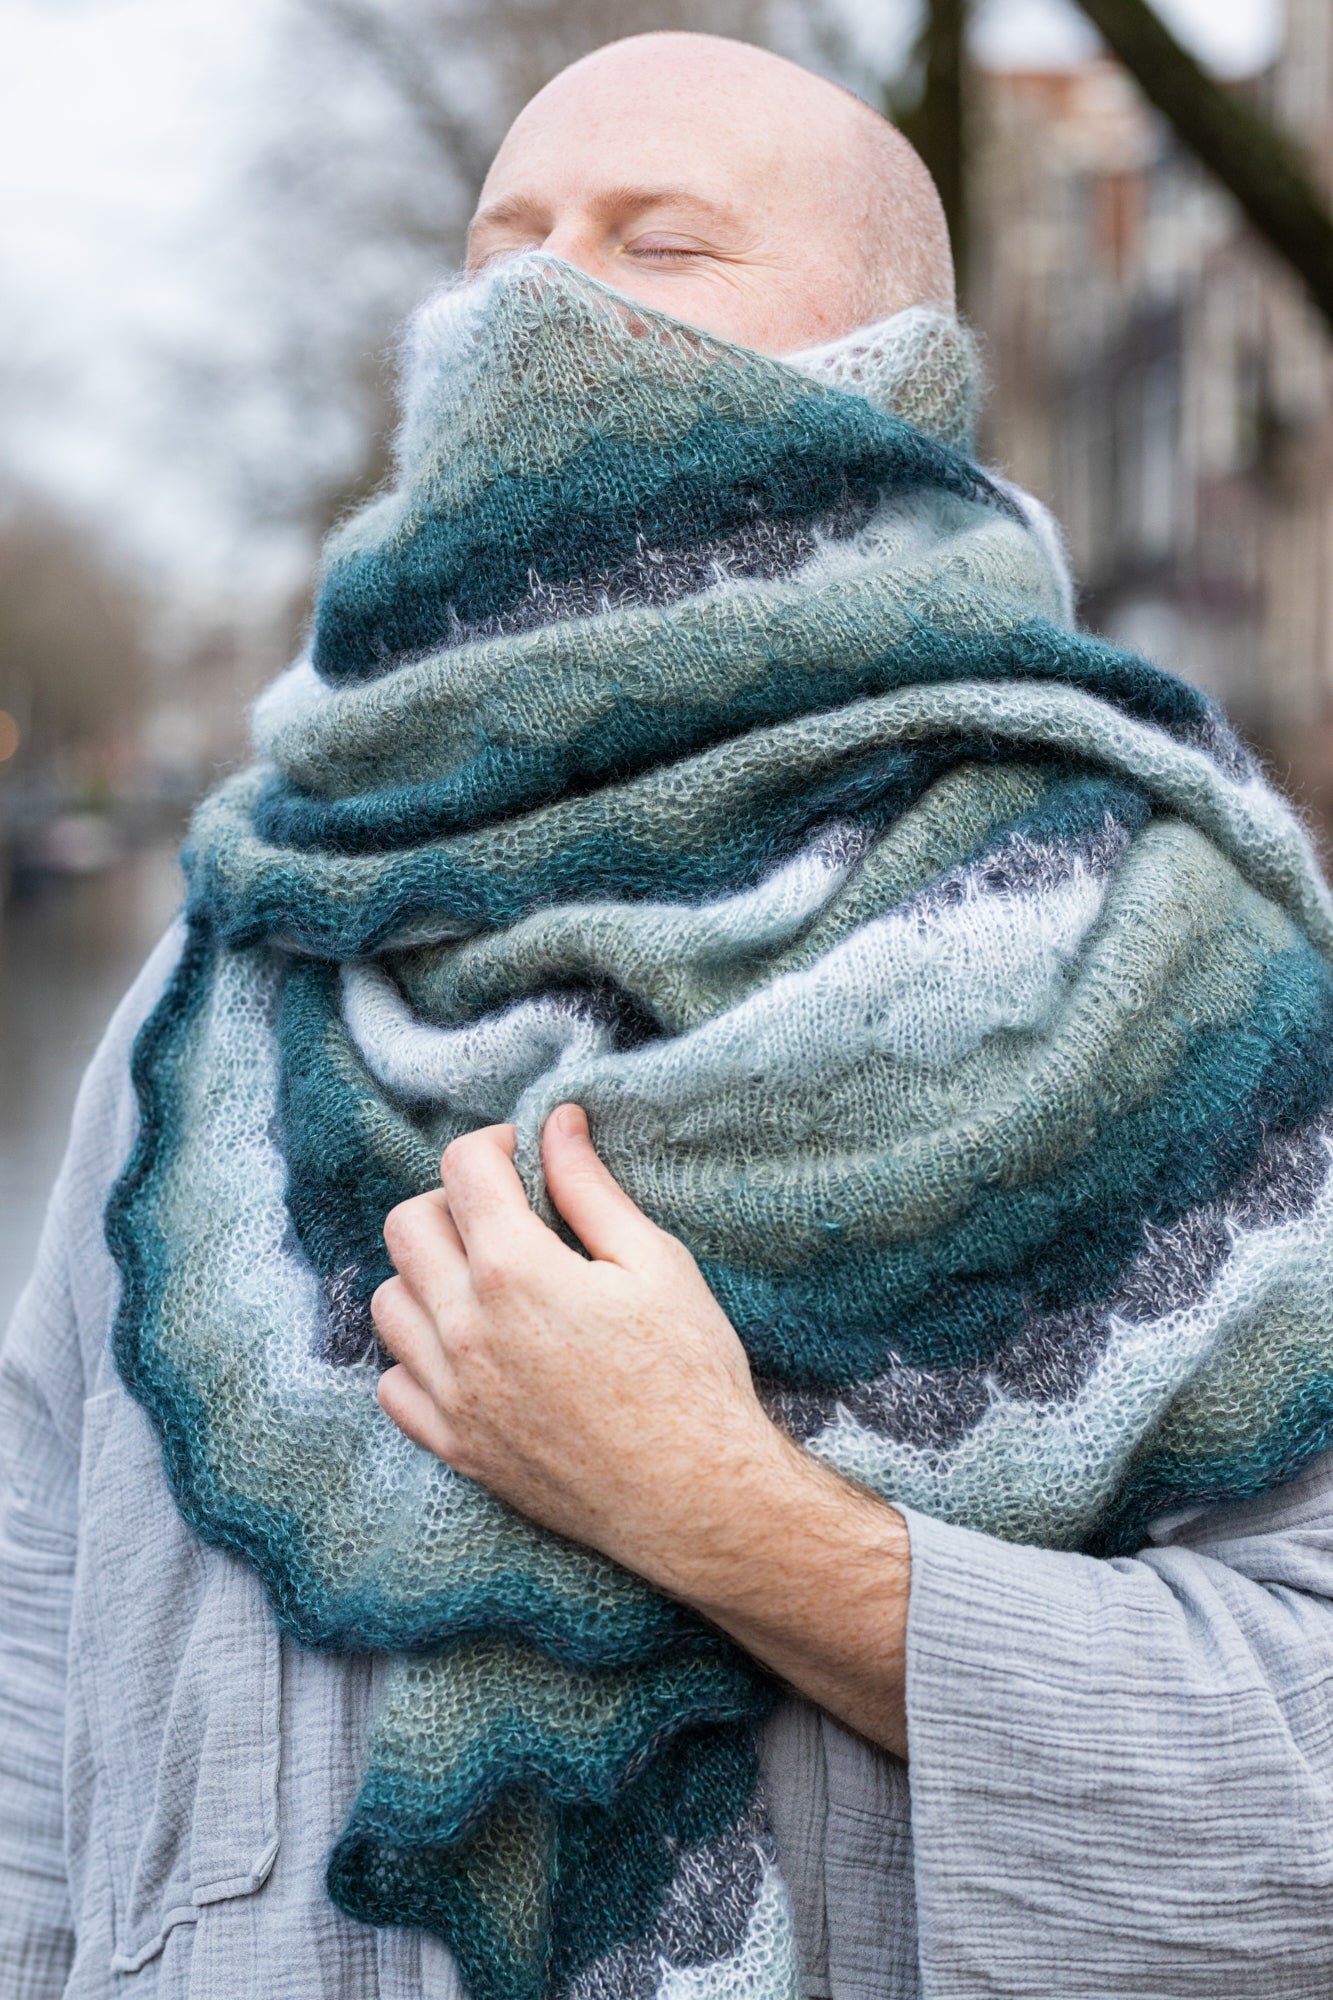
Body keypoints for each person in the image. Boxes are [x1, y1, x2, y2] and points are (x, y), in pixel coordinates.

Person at [4, 30, 1333, 2000]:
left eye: (662, 245)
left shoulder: (1164, 975)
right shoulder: (233, 967)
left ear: (892, 361)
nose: (542, 289)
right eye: (503, 241)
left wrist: (731, 1520)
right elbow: (40, 1651)